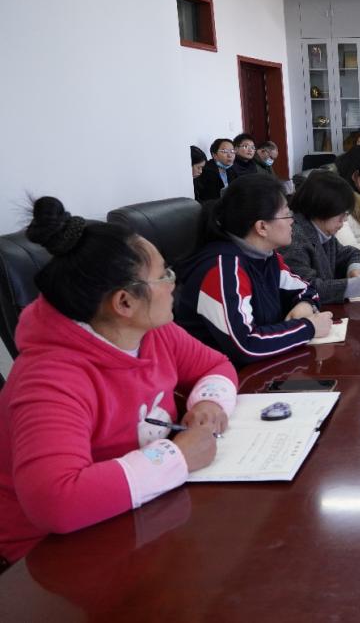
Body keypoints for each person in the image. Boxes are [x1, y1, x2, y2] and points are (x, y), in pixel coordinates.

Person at [0, 197, 238, 563]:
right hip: (51, 554)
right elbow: (56, 502)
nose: (173, 282)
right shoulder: (49, 379)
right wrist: (176, 457)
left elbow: (215, 365)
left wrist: (208, 401)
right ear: (124, 302)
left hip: (141, 510)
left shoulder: (153, 332)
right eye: (164, 275)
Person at [174, 173, 333, 365]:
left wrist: (305, 305)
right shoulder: (222, 269)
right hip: (221, 375)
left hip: (261, 368)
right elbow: (245, 345)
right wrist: (308, 328)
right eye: (287, 214)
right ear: (262, 227)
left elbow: (307, 289)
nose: (292, 221)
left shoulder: (267, 256)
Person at [280, 171, 360, 303]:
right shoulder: (293, 237)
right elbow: (306, 288)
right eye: (341, 214)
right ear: (322, 208)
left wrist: (356, 269)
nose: (344, 220)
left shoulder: (321, 231)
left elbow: (351, 253)